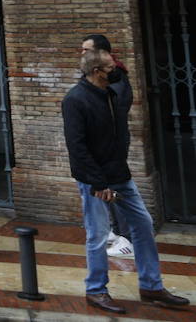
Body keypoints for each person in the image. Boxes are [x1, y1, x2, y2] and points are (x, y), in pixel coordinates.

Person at [64, 48, 189, 313]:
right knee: (98, 235)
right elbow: (77, 147)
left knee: (143, 224)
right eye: (111, 66)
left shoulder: (110, 92)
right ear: (97, 72)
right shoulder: (76, 100)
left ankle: (151, 286)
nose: (116, 69)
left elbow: (122, 78)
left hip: (120, 174)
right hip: (94, 180)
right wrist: (98, 183)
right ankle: (96, 289)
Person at [80, 33, 136, 259]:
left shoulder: (116, 81)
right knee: (104, 192)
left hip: (109, 147)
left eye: (86, 50)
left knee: (114, 190)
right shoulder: (94, 82)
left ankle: (127, 239)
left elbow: (114, 115)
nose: (82, 53)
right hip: (100, 147)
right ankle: (116, 231)